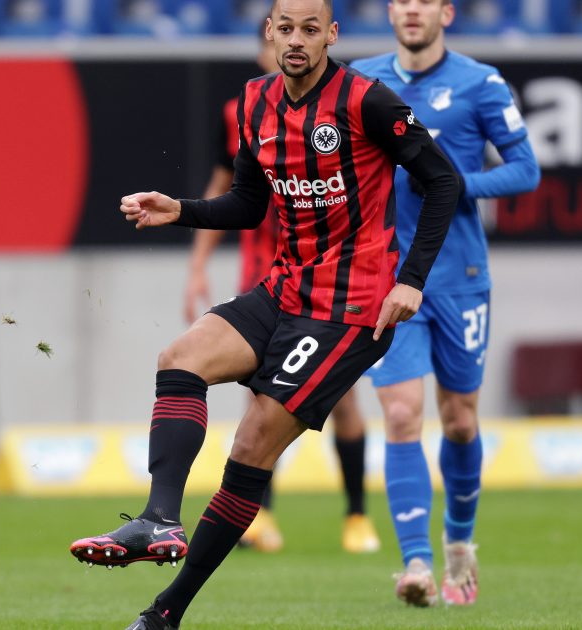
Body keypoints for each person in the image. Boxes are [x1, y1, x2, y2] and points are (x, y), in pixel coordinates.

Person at [68, 0, 462, 626]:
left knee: (252, 445)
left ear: (331, 35)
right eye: (286, 28)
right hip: (284, 288)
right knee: (180, 358)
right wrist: (183, 209)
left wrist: (410, 280)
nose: (298, 40)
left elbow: (444, 181)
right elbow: (251, 204)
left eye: (311, 29)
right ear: (270, 34)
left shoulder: (369, 101)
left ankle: (166, 611)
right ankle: (159, 519)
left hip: (351, 308)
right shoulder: (255, 102)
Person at [351, 0, 540, 608]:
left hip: (458, 275)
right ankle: (416, 564)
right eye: (401, 0)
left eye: (424, 1)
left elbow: (525, 170)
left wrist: (456, 185)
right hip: (387, 277)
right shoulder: (359, 80)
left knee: (459, 419)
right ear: (390, 11)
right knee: (402, 414)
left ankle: (460, 546)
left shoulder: (480, 83)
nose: (411, 10)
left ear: (446, 13)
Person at [183, 28, 378, 556]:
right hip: (265, 270)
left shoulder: (345, 109)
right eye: (279, 37)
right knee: (263, 401)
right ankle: (260, 514)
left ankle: (357, 513)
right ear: (263, 46)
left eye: (303, 35)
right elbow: (226, 186)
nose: (288, 49)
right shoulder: (244, 108)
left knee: (342, 398)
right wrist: (197, 265)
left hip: (329, 278)